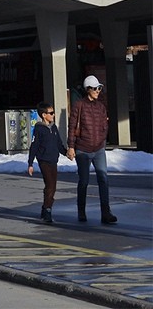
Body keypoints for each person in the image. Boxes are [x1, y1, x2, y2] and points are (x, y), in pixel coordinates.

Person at [68, 74, 117, 225]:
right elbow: (72, 126)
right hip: (82, 149)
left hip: (99, 149)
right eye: (95, 88)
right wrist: (71, 146)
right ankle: (81, 211)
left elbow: (105, 125)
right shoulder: (79, 105)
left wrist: (103, 137)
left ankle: (106, 212)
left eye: (99, 88)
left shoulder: (101, 106)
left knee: (104, 179)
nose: (98, 91)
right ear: (88, 89)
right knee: (84, 181)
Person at [26, 101, 68, 223]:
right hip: (43, 160)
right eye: (51, 113)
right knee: (50, 185)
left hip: (53, 160)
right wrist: (30, 163)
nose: (53, 115)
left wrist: (67, 153)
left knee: (52, 187)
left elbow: (59, 144)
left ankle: (45, 208)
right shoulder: (39, 129)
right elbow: (34, 146)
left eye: (53, 113)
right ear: (44, 115)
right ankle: (47, 210)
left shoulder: (54, 128)